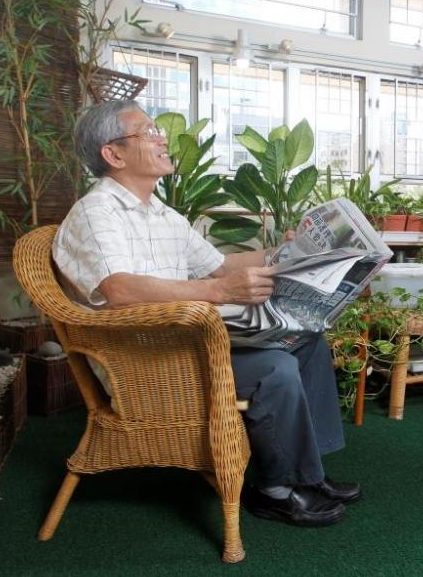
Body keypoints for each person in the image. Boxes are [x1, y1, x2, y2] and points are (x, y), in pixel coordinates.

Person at [53, 99, 359, 527]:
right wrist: (217, 292)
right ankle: (274, 490)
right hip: (147, 362)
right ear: (114, 153)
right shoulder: (97, 211)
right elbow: (117, 288)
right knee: (275, 367)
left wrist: (288, 252)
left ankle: (309, 475)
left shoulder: (160, 213)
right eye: (149, 132)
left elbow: (219, 266)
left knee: (307, 340)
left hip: (189, 342)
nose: (163, 139)